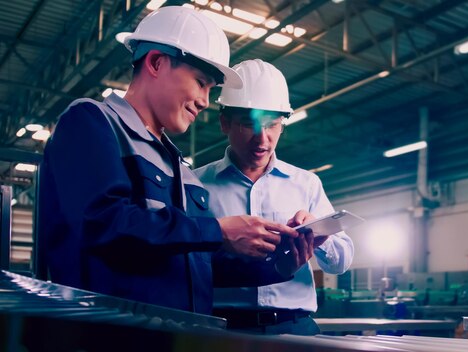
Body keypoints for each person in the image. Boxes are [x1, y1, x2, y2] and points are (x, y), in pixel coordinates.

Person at [37, 6, 312, 316]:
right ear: (156, 62)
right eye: (200, 82)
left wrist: (282, 265)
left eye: (210, 89)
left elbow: (195, 269)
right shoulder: (92, 122)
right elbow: (102, 224)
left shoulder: (182, 169)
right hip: (107, 336)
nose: (205, 101)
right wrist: (217, 232)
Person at [194, 59, 354, 335]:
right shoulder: (195, 184)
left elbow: (341, 262)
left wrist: (320, 236)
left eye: (272, 125)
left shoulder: (306, 184)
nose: (263, 139)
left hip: (293, 328)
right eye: (248, 124)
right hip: (221, 331)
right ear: (225, 123)